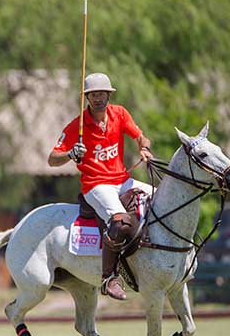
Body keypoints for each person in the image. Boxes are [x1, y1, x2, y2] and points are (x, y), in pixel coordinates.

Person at [48, 73, 153, 301]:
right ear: (87, 98)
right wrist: (69, 154)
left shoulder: (120, 113)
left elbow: (141, 137)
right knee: (120, 221)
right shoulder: (79, 125)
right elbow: (52, 159)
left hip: (122, 180)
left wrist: (143, 148)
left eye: (101, 94)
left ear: (108, 95)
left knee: (159, 198)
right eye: (93, 95)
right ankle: (109, 278)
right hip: (96, 184)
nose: (98, 99)